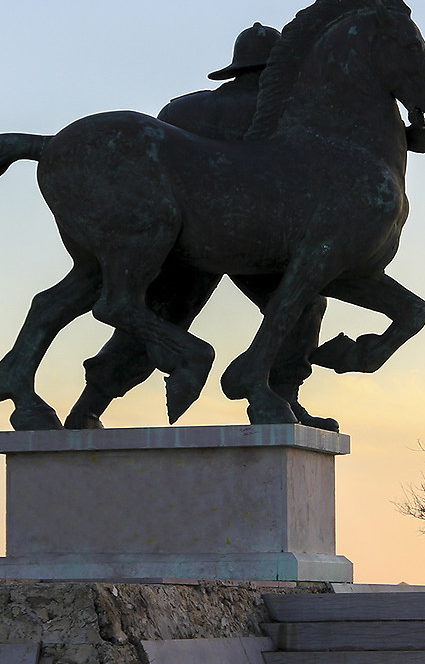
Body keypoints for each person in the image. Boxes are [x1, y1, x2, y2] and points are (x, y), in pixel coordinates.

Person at [65, 24, 338, 431]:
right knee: (304, 305)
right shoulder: (291, 112)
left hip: (185, 239)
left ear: (235, 68)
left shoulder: (182, 110)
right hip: (258, 243)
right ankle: (283, 399)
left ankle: (88, 408)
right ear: (279, 68)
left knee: (159, 318)